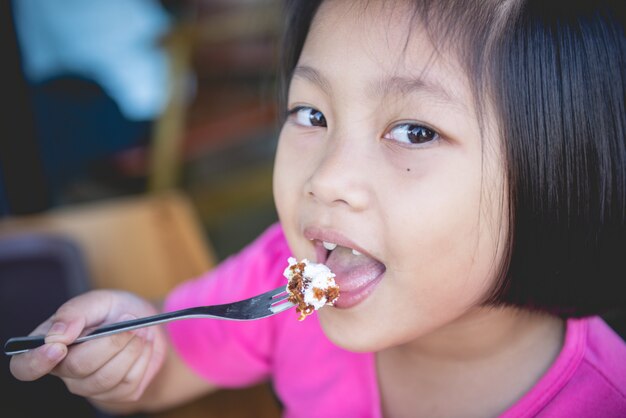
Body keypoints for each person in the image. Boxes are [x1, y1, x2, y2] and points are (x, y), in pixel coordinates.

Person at [9, 0, 626, 416]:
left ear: (561, 171)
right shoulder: (280, 278)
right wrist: (131, 356)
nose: (326, 178)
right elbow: (171, 365)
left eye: (414, 131)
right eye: (312, 114)